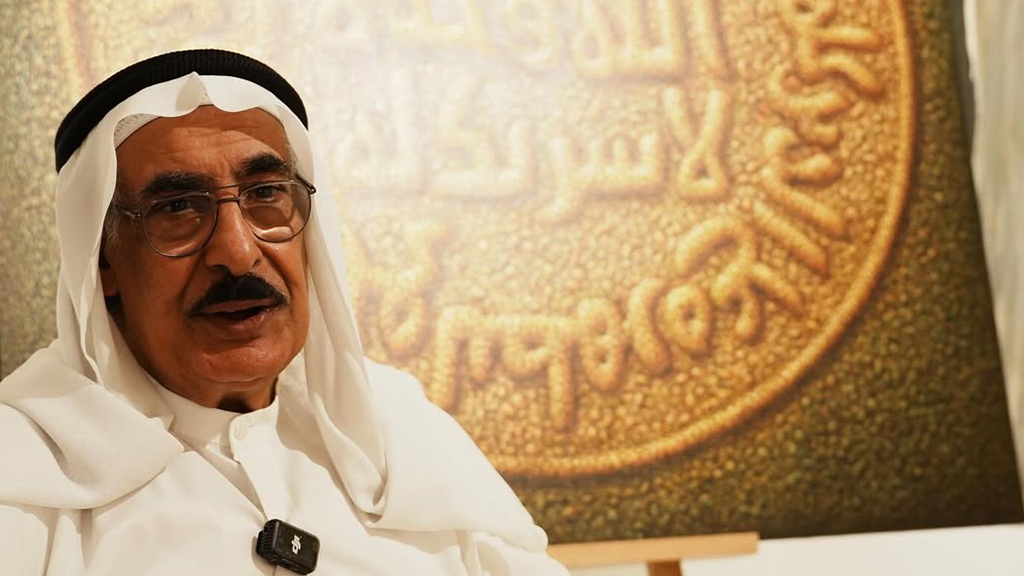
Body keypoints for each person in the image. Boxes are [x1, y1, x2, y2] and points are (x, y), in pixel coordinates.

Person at [0, 49, 570, 576]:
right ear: (102, 261)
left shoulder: (403, 431)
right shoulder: (22, 470)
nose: (237, 252)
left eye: (265, 194)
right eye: (177, 207)